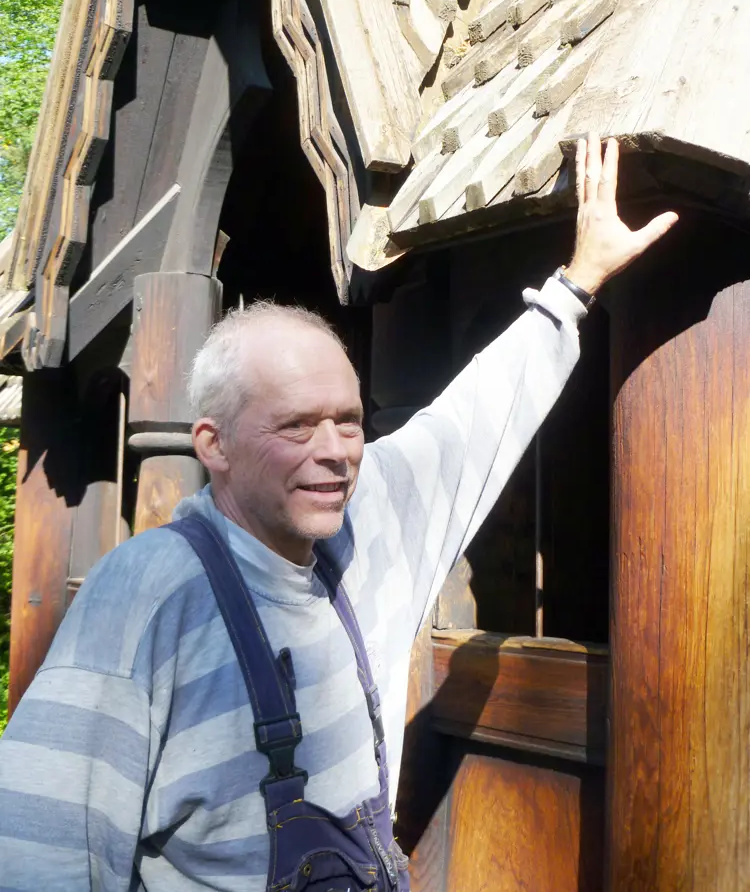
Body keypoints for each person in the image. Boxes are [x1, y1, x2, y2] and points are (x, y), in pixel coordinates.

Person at [0, 135, 678, 891]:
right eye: (296, 426)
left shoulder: (366, 520)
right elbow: (41, 847)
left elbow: (468, 423)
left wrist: (574, 285)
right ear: (212, 446)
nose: (335, 452)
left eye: (349, 421)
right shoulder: (148, 592)